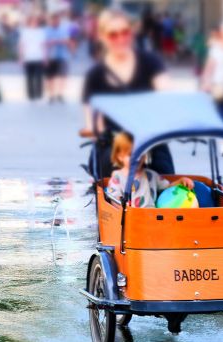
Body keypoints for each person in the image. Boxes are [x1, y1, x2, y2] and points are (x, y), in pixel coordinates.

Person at [81, 8, 173, 179]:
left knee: (165, 178)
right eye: (113, 35)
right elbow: (94, 123)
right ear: (102, 37)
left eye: (125, 32)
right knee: (114, 174)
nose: (120, 39)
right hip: (115, 144)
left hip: (150, 137)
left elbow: (166, 100)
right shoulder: (95, 75)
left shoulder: (151, 62)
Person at [107, 133, 193, 207]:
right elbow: (114, 200)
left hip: (152, 218)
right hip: (131, 219)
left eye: (140, 153)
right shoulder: (117, 178)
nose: (137, 158)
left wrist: (181, 181)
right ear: (120, 156)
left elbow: (167, 187)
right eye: (131, 155)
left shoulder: (151, 175)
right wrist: (124, 207)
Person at [18, 15, 46, 101]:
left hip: (39, 56)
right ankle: (31, 94)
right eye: (33, 22)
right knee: (29, 77)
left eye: (36, 22)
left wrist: (45, 57)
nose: (34, 23)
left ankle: (39, 94)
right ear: (29, 22)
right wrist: (21, 57)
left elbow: (44, 45)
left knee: (39, 76)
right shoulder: (25, 32)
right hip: (28, 57)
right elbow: (22, 45)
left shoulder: (41, 32)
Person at [45, 13, 71, 103]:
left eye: (57, 20)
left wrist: (55, 41)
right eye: (53, 20)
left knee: (62, 76)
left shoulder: (63, 30)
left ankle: (60, 94)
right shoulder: (46, 30)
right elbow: (44, 42)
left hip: (62, 55)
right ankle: (51, 95)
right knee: (50, 77)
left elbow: (67, 41)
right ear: (51, 21)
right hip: (50, 56)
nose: (55, 21)